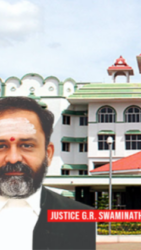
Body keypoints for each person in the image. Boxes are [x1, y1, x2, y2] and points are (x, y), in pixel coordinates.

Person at [0, 97, 96, 250]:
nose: (13, 158)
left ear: (48, 154)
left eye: (26, 145)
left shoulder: (81, 220)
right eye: (1, 146)